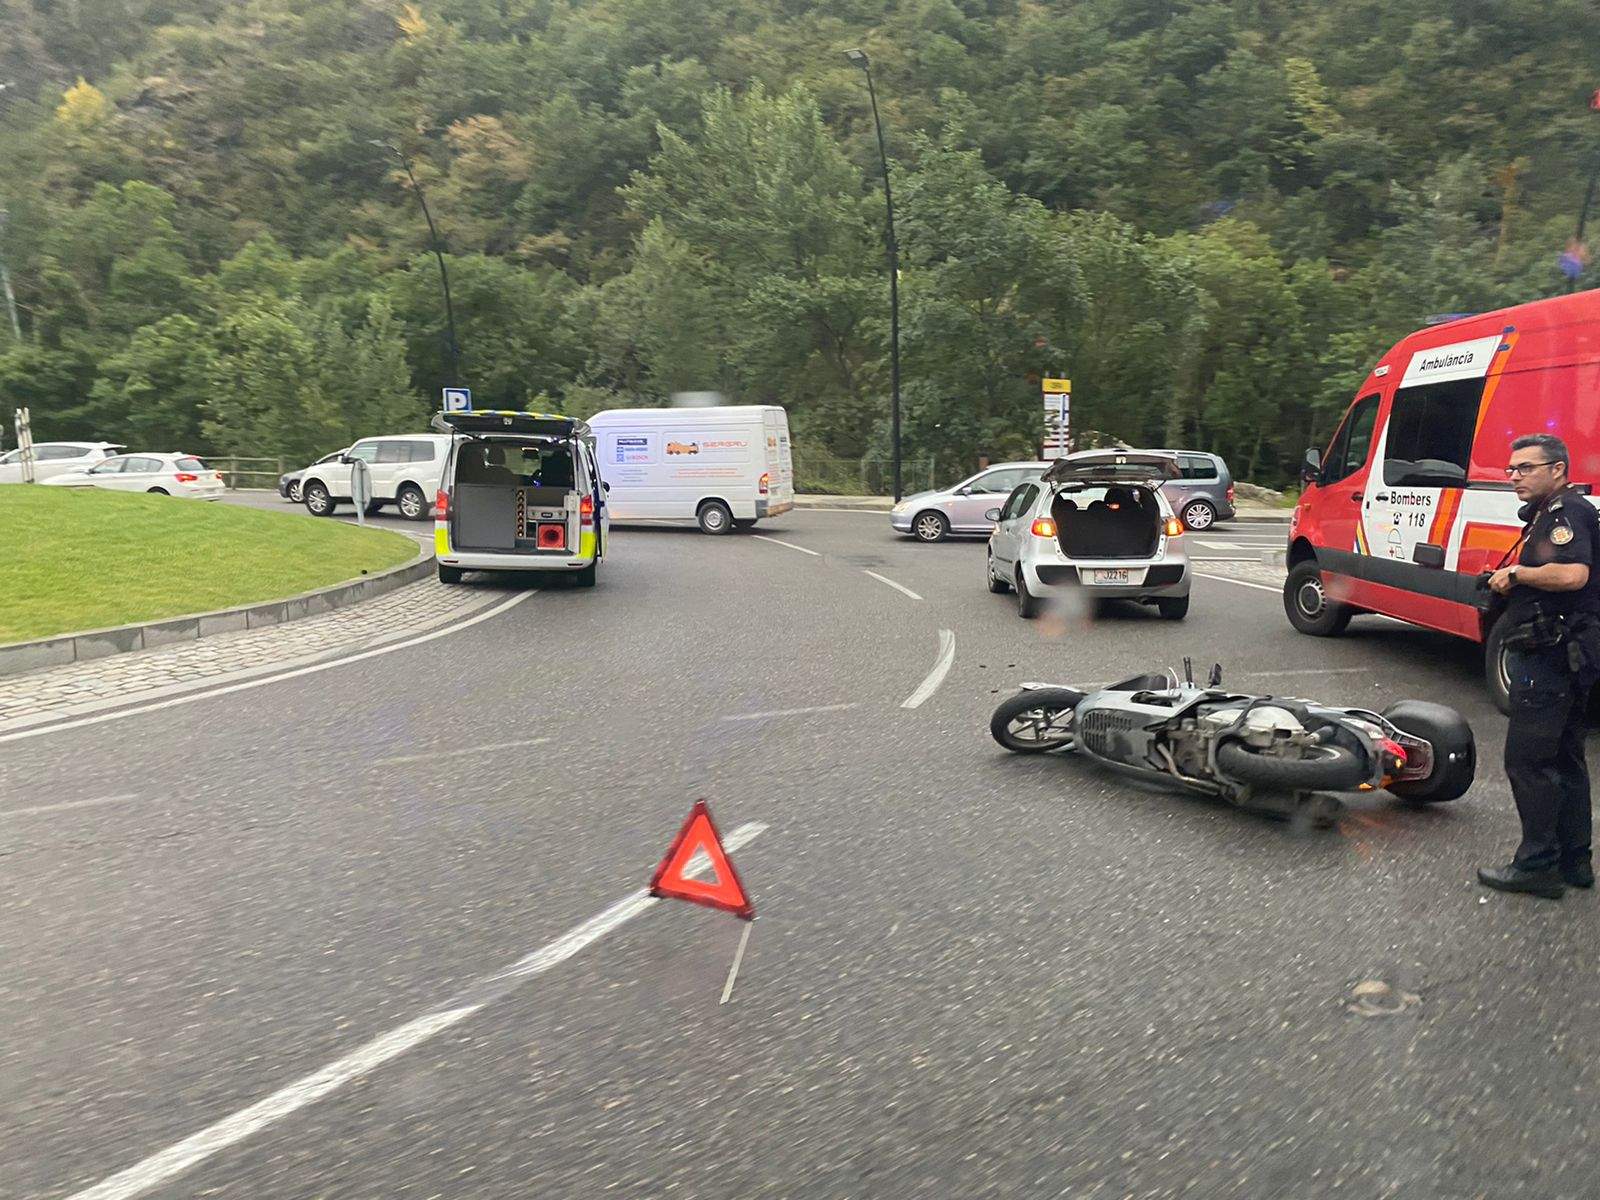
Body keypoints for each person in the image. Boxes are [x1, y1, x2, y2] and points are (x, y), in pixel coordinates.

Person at [1479, 434, 1600, 899]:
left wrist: (1515, 574)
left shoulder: (1565, 513)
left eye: (1526, 468)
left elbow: (1572, 574)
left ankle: (1536, 865)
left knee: (1528, 762)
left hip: (1551, 655)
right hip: (1571, 653)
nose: (1515, 477)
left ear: (1558, 469)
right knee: (1566, 758)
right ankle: (1575, 861)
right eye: (1511, 469)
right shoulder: (1557, 511)